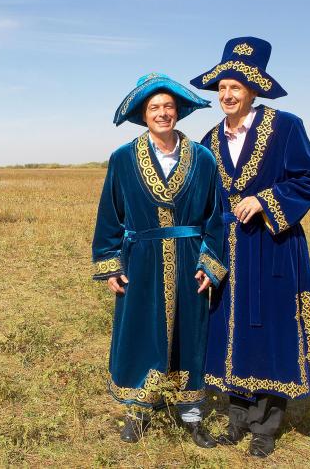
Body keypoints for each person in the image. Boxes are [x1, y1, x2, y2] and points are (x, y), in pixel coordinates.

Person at [189, 37, 310, 457]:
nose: (227, 95)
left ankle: (265, 427)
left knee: (269, 329)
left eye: (236, 87)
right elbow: (203, 195)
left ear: (254, 89)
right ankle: (237, 419)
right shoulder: (210, 139)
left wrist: (267, 199)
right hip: (228, 248)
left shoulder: (286, 127)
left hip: (272, 245)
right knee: (229, 329)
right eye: (222, 88)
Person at [92, 73, 228, 448]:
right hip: (141, 262)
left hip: (189, 261)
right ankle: (137, 412)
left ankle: (192, 416)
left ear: (178, 112)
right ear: (143, 113)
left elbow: (216, 217)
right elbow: (110, 215)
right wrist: (110, 264)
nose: (162, 113)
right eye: (154, 107)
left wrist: (210, 264)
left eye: (168, 106)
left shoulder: (203, 158)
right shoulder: (122, 159)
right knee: (139, 334)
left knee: (190, 337)